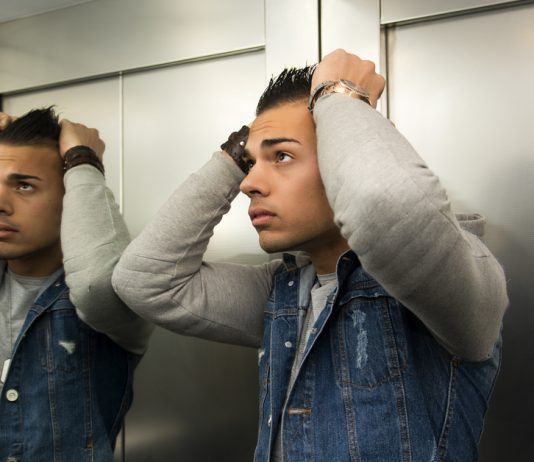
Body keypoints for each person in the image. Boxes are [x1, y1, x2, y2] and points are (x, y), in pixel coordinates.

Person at [112, 49, 508, 461]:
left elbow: (385, 207)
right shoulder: (282, 291)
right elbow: (144, 280)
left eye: (282, 155)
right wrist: (230, 158)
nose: (247, 183)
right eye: (250, 162)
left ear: (350, 154)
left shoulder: (457, 273)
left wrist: (339, 95)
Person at [0, 108, 152, 461]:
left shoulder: (117, 293)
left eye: (24, 185)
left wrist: (82, 161)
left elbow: (96, 287)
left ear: (72, 196)